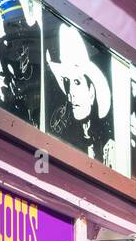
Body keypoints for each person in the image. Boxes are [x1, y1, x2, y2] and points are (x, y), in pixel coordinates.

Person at [45, 22, 114, 163]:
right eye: (67, 82)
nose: (70, 92)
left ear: (92, 92)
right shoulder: (66, 141)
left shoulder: (109, 147)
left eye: (77, 82)